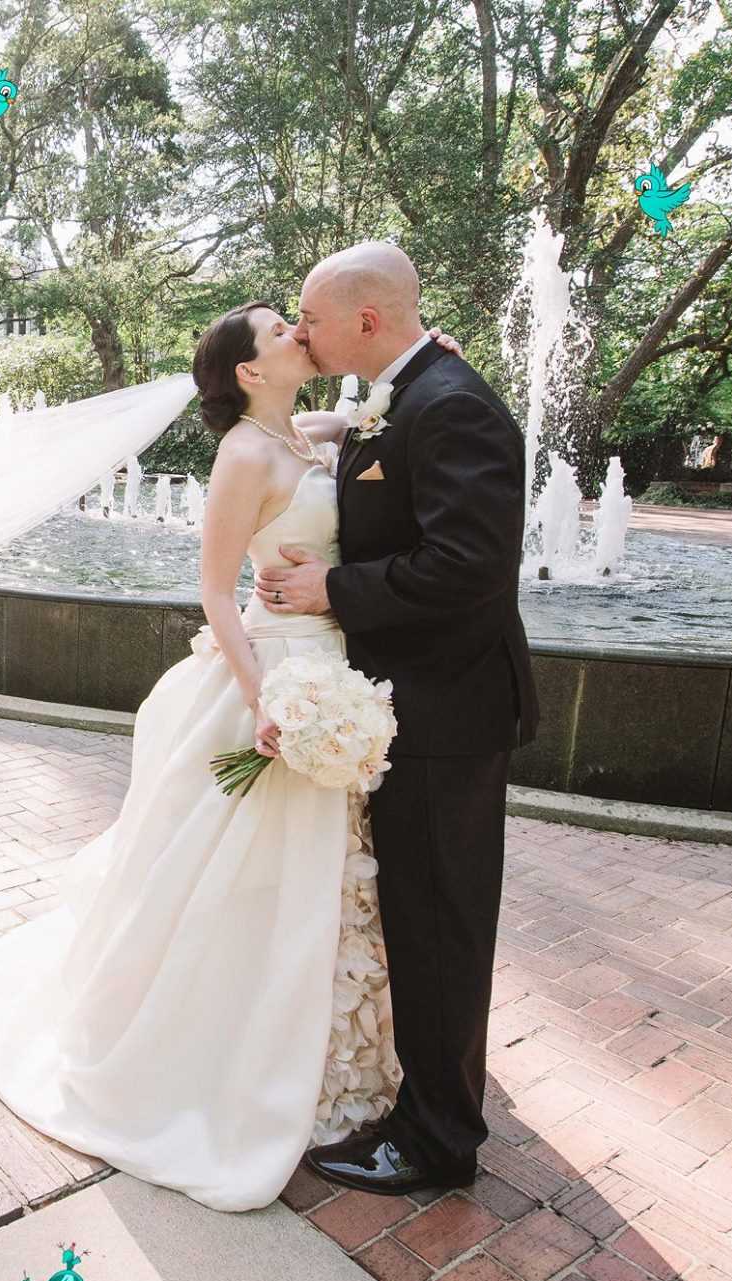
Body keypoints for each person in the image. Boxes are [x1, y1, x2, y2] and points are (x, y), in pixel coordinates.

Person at [0, 300, 465, 1212]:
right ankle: (223, 1058)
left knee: (325, 878)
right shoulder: (243, 455)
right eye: (279, 331)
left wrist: (427, 360)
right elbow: (217, 595)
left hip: (334, 668)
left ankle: (317, 1047)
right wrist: (270, 703)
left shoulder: (304, 431)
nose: (300, 332)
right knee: (241, 875)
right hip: (272, 680)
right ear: (250, 371)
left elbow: (366, 415)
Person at [256, 241, 539, 1195]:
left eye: (315, 319)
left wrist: (331, 587)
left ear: (367, 322)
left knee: (441, 924)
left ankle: (436, 1143)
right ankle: (436, 1098)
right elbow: (389, 476)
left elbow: (468, 569)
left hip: (448, 711)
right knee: (420, 915)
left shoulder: (451, 404)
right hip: (411, 703)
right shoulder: (408, 390)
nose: (303, 332)